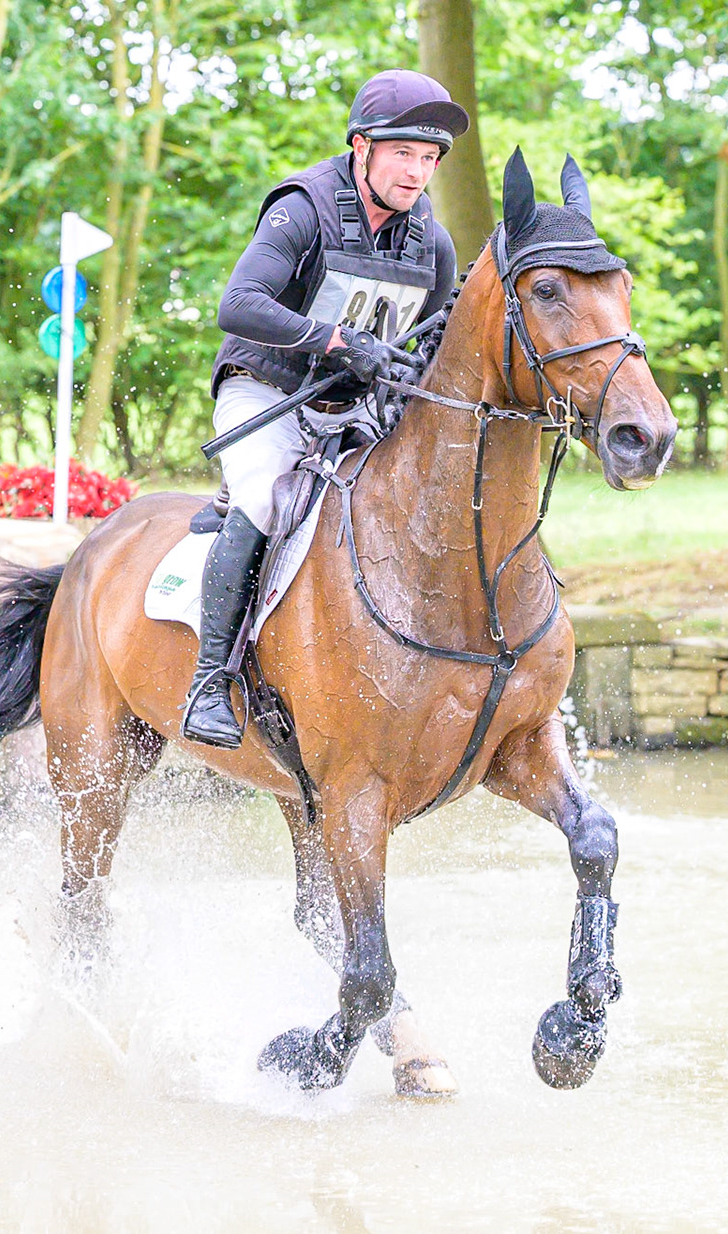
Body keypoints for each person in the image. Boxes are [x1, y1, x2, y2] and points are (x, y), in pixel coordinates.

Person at [182, 70, 467, 748]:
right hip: (269, 391)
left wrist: (404, 370)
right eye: (403, 154)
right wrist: (340, 340)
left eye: (429, 160)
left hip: (353, 407)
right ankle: (208, 683)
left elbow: (436, 342)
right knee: (265, 500)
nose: (417, 173)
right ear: (362, 146)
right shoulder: (302, 207)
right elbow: (239, 305)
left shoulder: (432, 241)